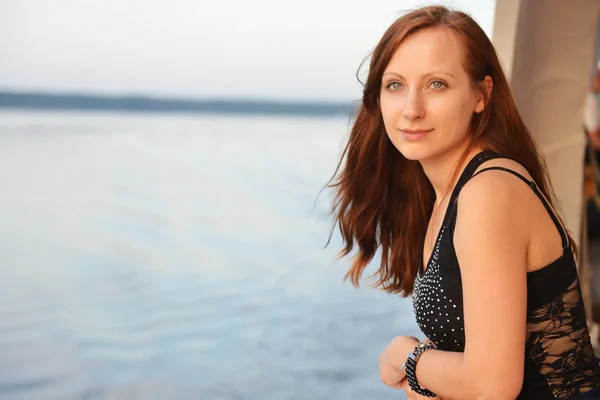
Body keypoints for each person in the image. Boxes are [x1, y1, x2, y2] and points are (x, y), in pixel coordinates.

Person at [326, 5, 600, 399]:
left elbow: (492, 385)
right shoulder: (447, 193)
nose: (411, 109)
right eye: (395, 85)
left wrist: (408, 355)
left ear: (481, 94)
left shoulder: (487, 192)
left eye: (437, 84)